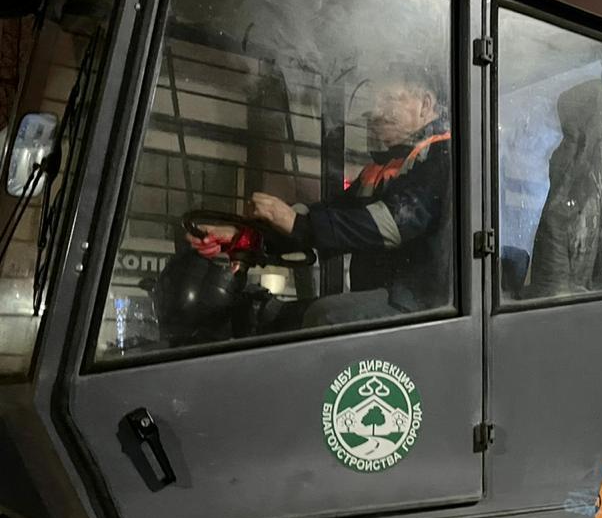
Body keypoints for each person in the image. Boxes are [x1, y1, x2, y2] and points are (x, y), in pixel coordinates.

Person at [187, 62, 452, 328]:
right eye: (376, 102)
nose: (376, 112)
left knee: (324, 316)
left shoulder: (442, 157)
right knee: (264, 316)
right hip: (382, 300)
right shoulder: (382, 167)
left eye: (390, 100)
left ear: (425, 105)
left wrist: (298, 222)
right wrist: (245, 236)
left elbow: (391, 224)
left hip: (419, 306)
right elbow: (330, 216)